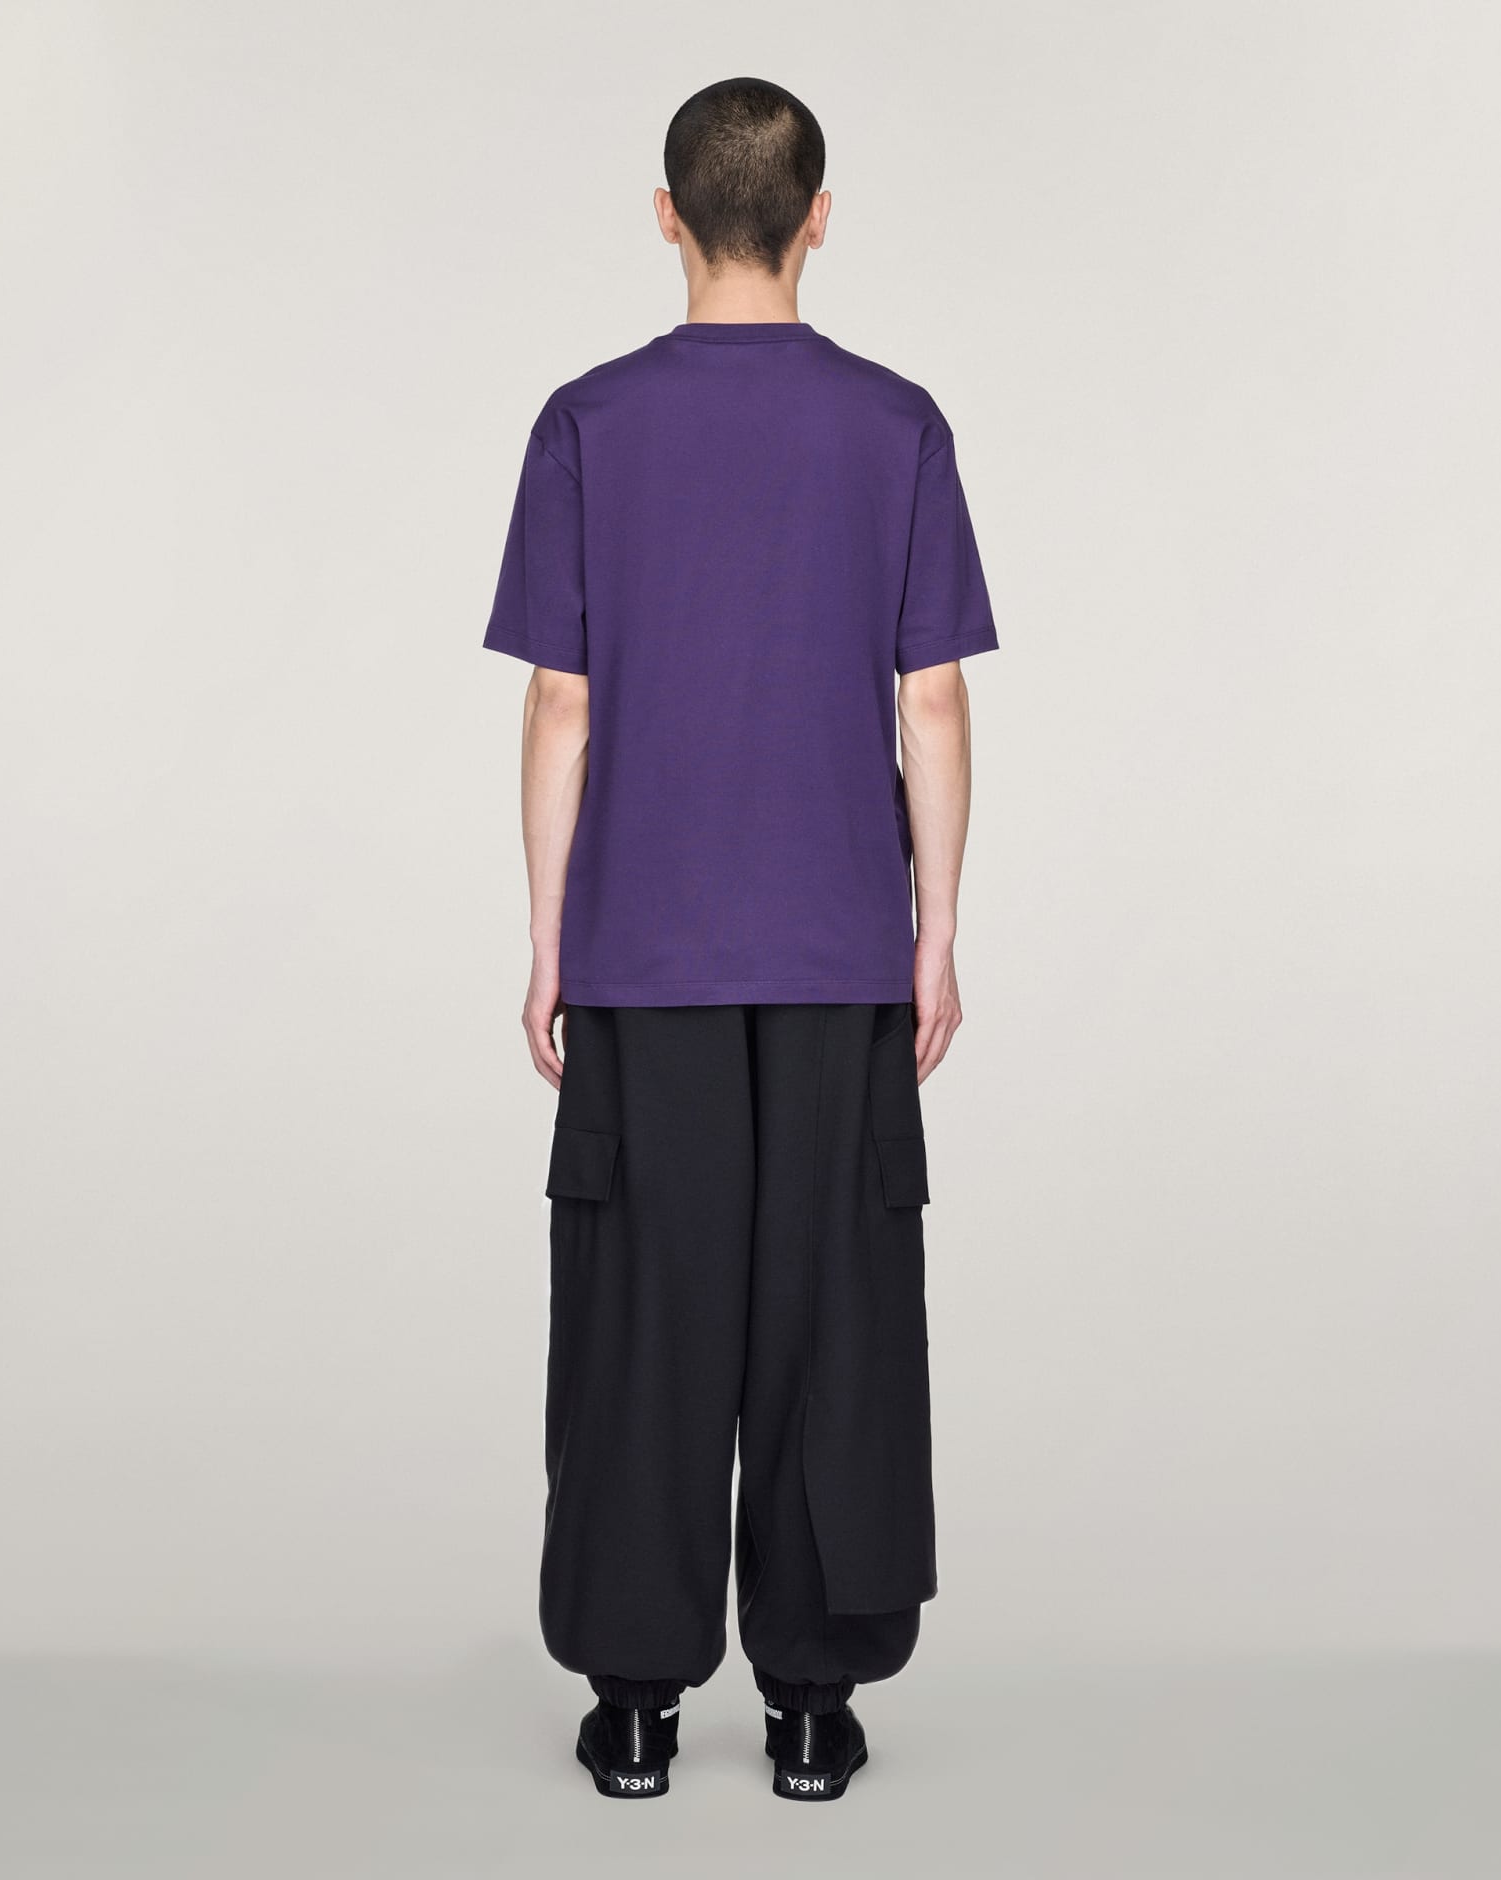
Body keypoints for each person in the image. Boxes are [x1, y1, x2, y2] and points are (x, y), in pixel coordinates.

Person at [482, 75, 997, 1803]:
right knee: (833, 1324)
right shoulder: (897, 425)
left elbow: (564, 700)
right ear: (818, 218)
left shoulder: (588, 423)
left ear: (667, 215)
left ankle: (635, 1707)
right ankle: (812, 1709)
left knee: (642, 1319)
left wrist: (549, 937)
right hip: (842, 949)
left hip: (646, 956)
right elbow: (932, 698)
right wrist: (936, 932)